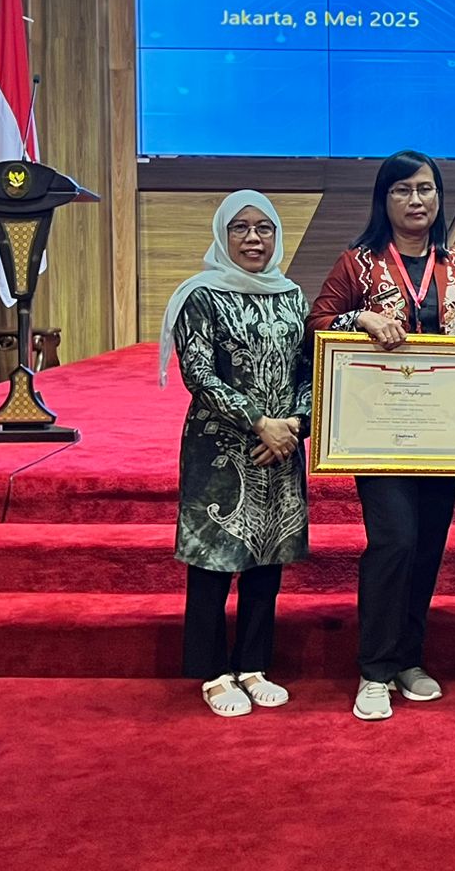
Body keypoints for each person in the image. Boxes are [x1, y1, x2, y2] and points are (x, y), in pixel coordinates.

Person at [308, 151, 455, 722]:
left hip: (443, 435)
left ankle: (410, 658)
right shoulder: (357, 264)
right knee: (395, 541)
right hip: (377, 433)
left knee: (428, 546)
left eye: (425, 189)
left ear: (439, 197)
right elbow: (315, 325)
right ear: (383, 199)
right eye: (403, 190)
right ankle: (375, 668)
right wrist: (358, 319)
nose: (416, 200)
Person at [159, 190, 311, 718]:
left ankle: (253, 664)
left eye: (264, 228)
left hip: (281, 447)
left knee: (267, 555)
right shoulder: (200, 295)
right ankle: (212, 671)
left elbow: (309, 370)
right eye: (240, 228)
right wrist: (260, 423)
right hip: (220, 447)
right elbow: (198, 374)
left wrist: (294, 425)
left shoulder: (292, 296)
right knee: (214, 558)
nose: (253, 238)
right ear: (223, 235)